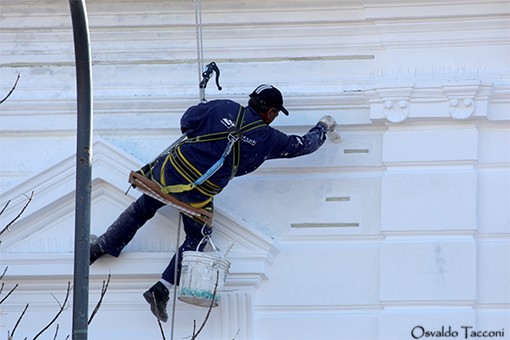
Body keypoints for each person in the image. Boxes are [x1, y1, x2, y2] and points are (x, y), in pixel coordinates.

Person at [89, 84, 337, 322]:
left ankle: (102, 247)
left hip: (169, 176)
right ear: (270, 112)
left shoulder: (223, 108)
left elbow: (186, 123)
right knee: (198, 236)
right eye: (275, 113)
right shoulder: (269, 139)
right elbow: (304, 145)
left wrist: (206, 117)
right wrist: (322, 127)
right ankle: (162, 288)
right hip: (198, 195)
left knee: (144, 207)